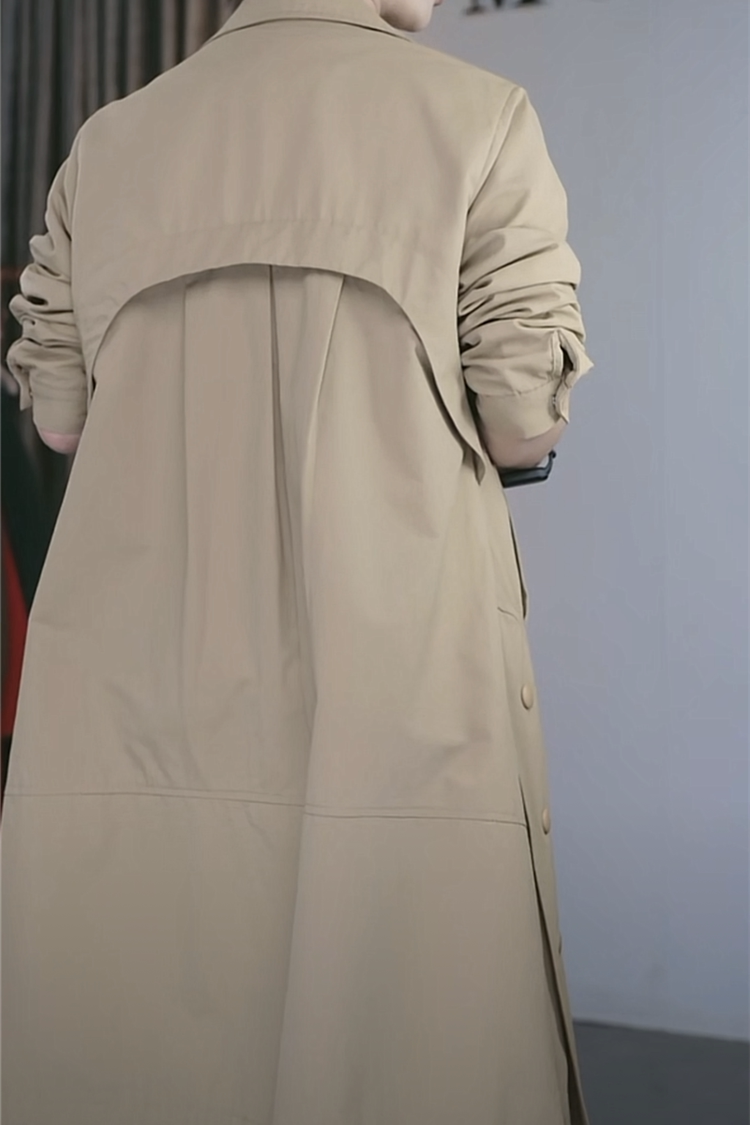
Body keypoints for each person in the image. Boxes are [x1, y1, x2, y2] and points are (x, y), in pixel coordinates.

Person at [2, 0, 596, 1122]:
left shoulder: (112, 141)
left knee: (146, 1044)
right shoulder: (478, 117)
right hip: (391, 676)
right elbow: (523, 421)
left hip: (136, 678)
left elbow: (62, 420)